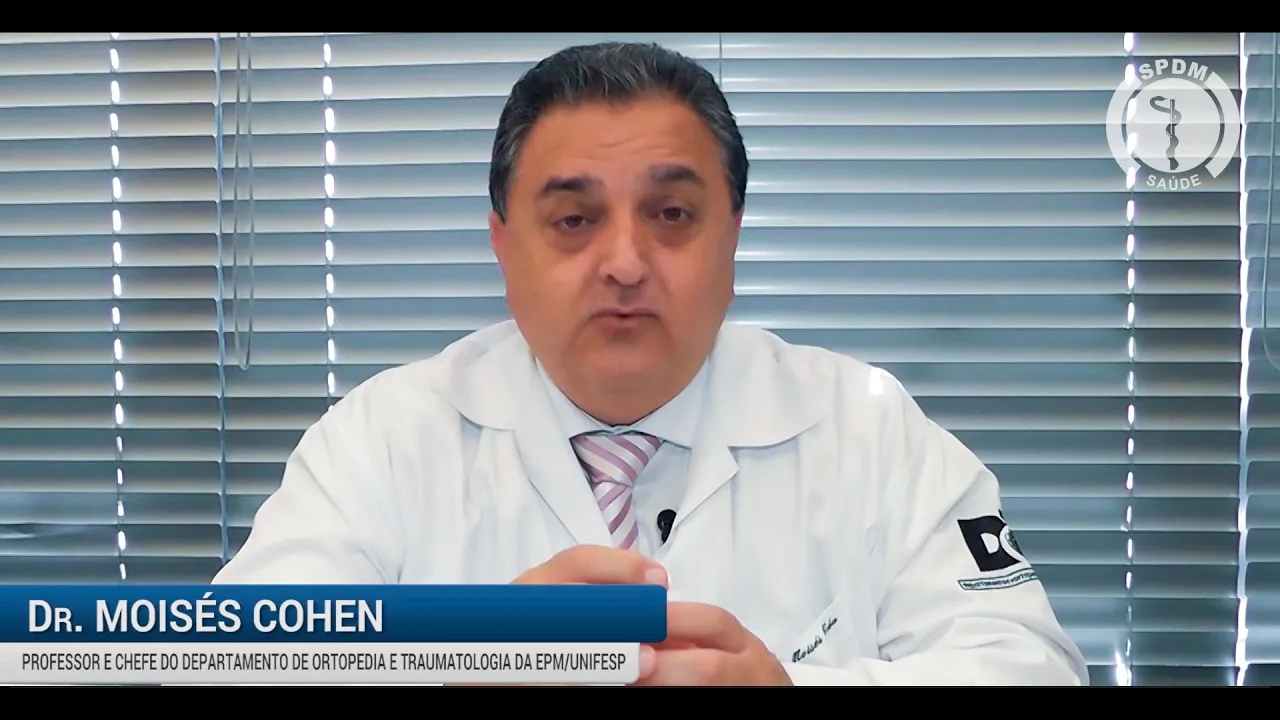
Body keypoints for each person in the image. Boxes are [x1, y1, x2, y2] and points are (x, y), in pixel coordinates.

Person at [214, 41, 1088, 686]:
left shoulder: (868, 427)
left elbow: (1029, 665)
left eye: (671, 215)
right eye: (574, 220)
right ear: (504, 248)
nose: (626, 263)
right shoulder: (383, 438)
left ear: (731, 240)